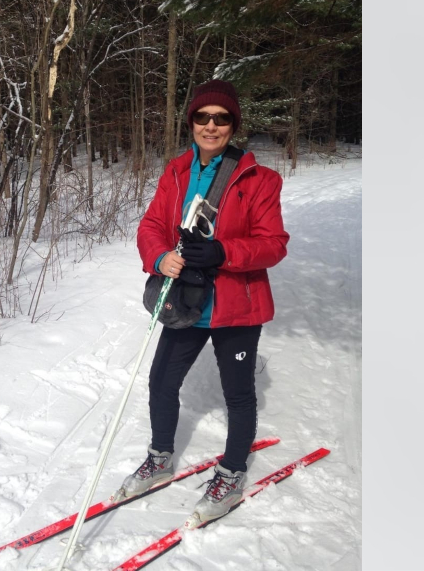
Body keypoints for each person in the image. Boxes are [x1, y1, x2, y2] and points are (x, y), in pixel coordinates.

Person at [121, 79, 289, 523]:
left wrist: (225, 252)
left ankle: (232, 474)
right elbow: (151, 225)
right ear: (191, 121)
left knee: (238, 394)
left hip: (237, 305)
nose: (211, 126)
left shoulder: (260, 179)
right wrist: (159, 257)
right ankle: (160, 457)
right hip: (186, 302)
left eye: (221, 118)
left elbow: (274, 243)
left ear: (233, 125)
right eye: (202, 117)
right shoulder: (175, 171)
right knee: (161, 382)